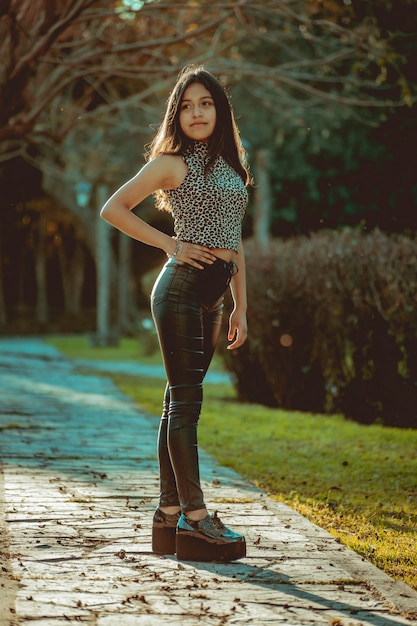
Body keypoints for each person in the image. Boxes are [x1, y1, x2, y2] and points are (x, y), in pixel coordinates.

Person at [100, 65, 251, 562]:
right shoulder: (172, 163)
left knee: (176, 403)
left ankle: (168, 517)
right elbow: (114, 208)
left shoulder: (232, 165)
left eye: (205, 103)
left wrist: (240, 307)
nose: (196, 112)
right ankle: (196, 516)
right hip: (181, 290)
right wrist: (170, 244)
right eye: (186, 105)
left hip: (215, 295)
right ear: (176, 115)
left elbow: (235, 241)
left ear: (220, 109)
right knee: (186, 404)